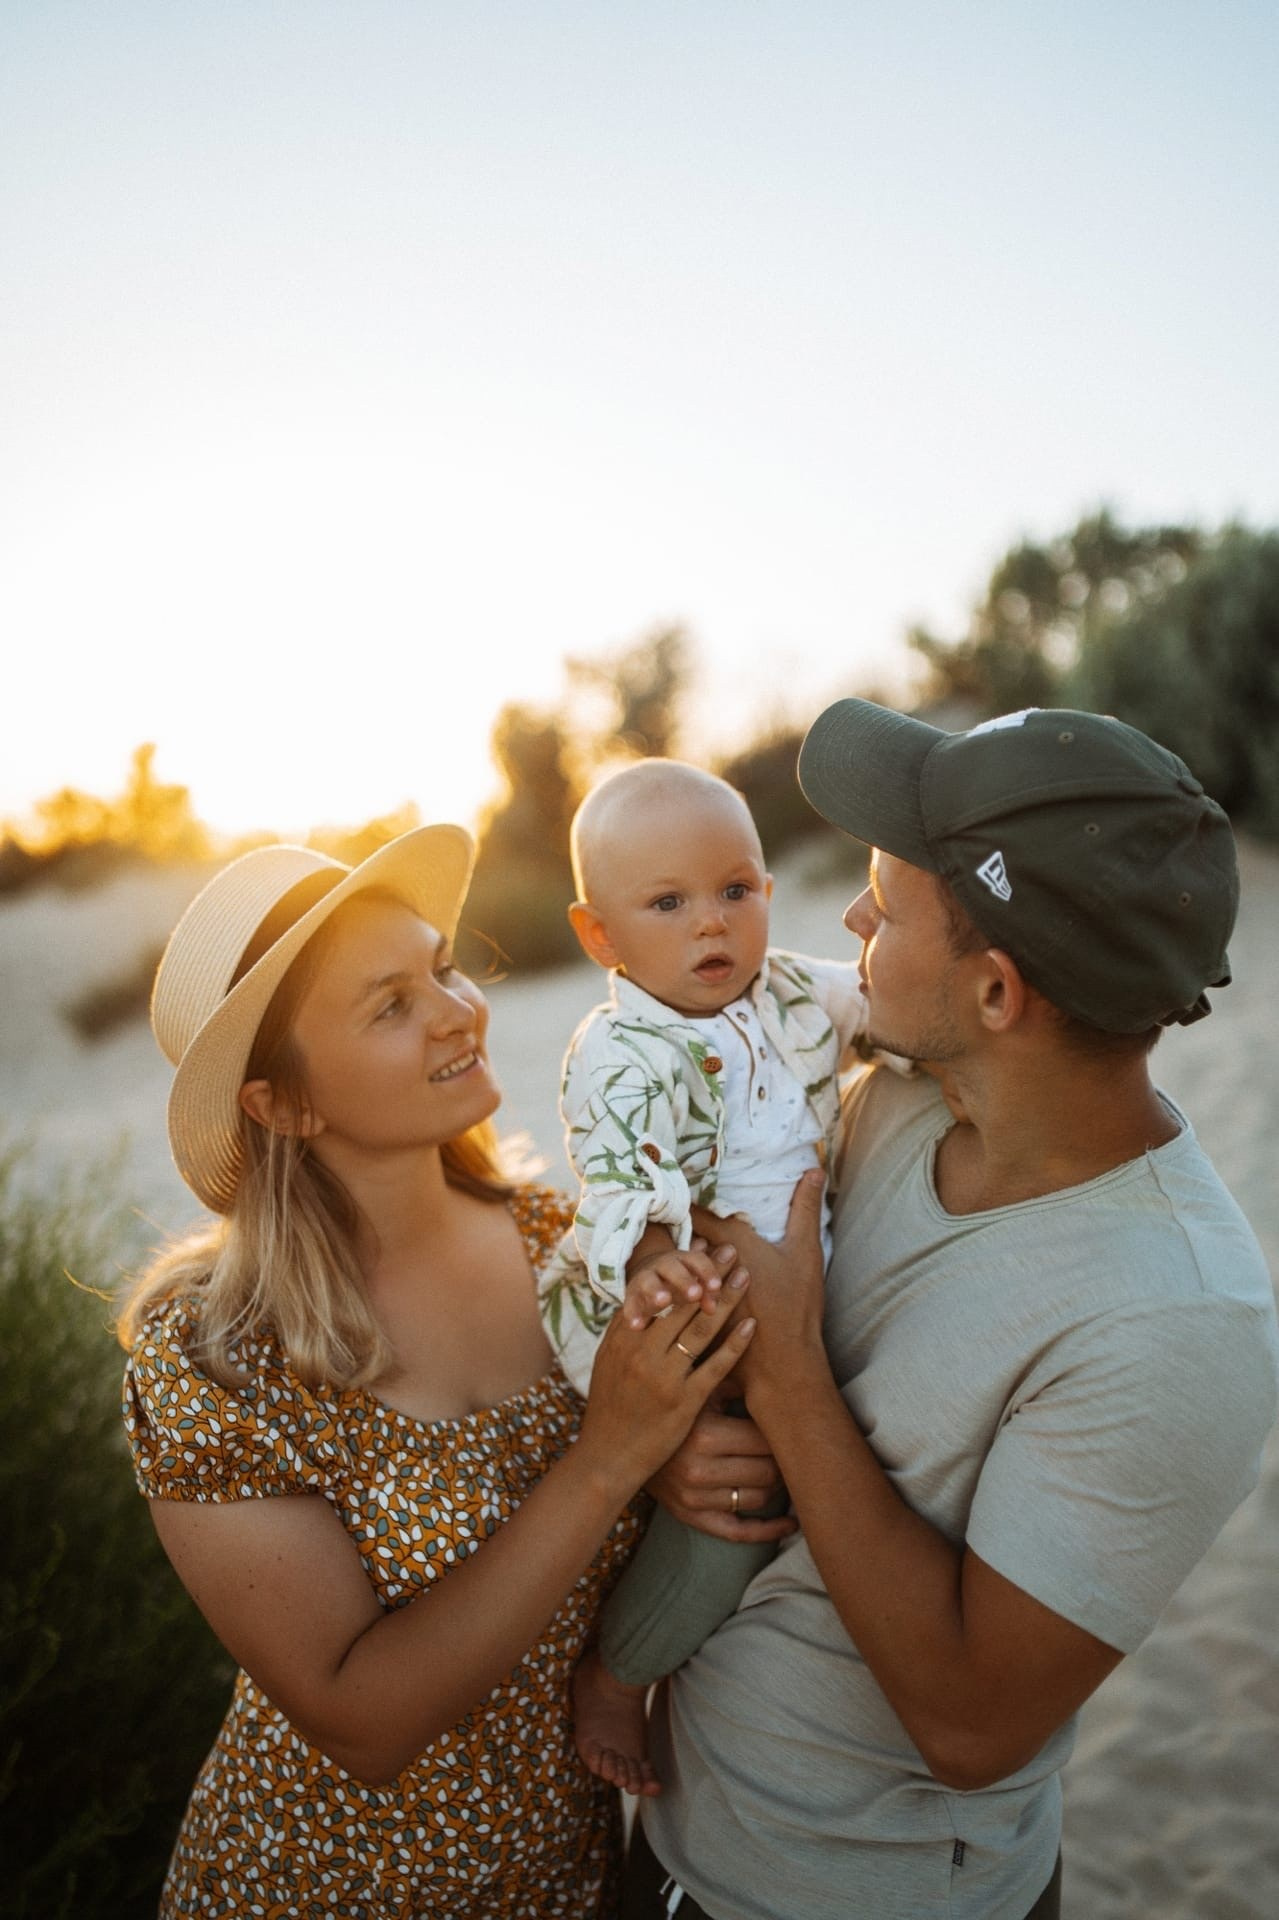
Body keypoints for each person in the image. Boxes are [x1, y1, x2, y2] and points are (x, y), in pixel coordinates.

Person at [625, 701, 1279, 1920]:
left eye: (887, 899)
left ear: (994, 995)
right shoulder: (902, 1086)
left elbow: (973, 1725)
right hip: (675, 1832)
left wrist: (786, 1379)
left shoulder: (1180, 1321)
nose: (853, 919)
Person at [116, 823, 757, 1920]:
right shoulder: (215, 1355)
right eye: (390, 1005)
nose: (459, 1011)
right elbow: (359, 1719)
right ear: (285, 1104)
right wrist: (611, 1460)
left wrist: (674, 1463)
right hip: (319, 1890)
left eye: (442, 969)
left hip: (563, 1878)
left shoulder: (566, 1244)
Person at [536, 759, 873, 1795]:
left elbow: (872, 1007)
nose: (710, 927)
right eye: (667, 903)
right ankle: (616, 1674)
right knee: (731, 1502)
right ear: (600, 937)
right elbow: (621, 1183)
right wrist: (656, 1262)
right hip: (657, 1309)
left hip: (770, 1274)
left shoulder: (782, 987)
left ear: (769, 891)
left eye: (735, 890)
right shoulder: (621, 1053)